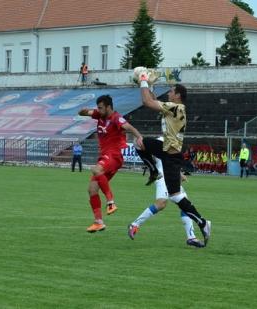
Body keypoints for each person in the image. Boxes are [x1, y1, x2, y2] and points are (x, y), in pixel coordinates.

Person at [133, 67, 212, 245]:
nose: (168, 93)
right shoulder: (174, 108)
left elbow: (147, 102)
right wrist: (150, 86)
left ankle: (202, 222)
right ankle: (154, 172)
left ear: (177, 96)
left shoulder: (177, 108)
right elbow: (152, 100)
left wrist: (143, 79)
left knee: (176, 196)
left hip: (171, 155)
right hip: (166, 149)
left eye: (171, 91)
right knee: (139, 142)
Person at [78, 94, 143, 233]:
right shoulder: (99, 114)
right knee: (92, 189)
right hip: (105, 156)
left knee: (96, 170)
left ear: (108, 107)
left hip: (114, 155)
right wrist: (83, 111)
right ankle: (98, 222)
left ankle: (111, 202)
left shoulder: (116, 118)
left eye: (101, 108)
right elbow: (84, 113)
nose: (98, 110)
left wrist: (139, 137)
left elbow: (129, 127)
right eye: (98, 108)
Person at [128, 141, 205, 248]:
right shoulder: (160, 142)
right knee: (161, 204)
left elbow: (169, 162)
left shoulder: (170, 142)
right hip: (162, 177)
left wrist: (179, 174)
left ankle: (191, 237)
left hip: (170, 176)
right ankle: (134, 224)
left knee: (185, 205)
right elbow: (157, 159)